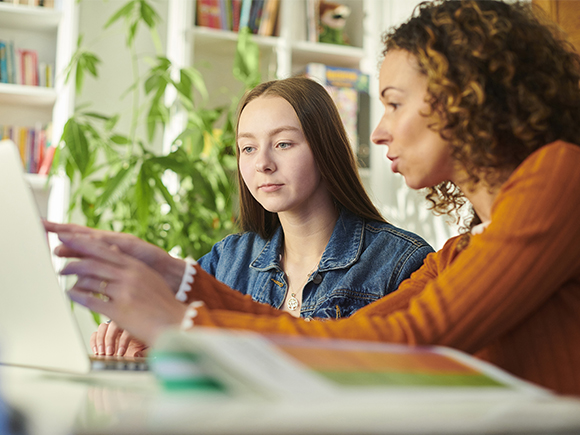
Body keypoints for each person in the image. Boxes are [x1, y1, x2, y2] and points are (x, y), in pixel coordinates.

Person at [49, 0, 580, 396]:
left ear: (465, 98)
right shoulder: (461, 253)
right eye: (247, 148)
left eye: (393, 104)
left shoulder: (561, 175)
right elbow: (345, 338)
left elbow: (412, 339)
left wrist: (178, 323)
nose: (378, 132)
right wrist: (179, 280)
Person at [46, 77, 432, 356]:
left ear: (325, 148)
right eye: (247, 148)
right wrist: (143, 347)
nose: (262, 164)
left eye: (282, 143)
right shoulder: (226, 260)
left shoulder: (402, 262)